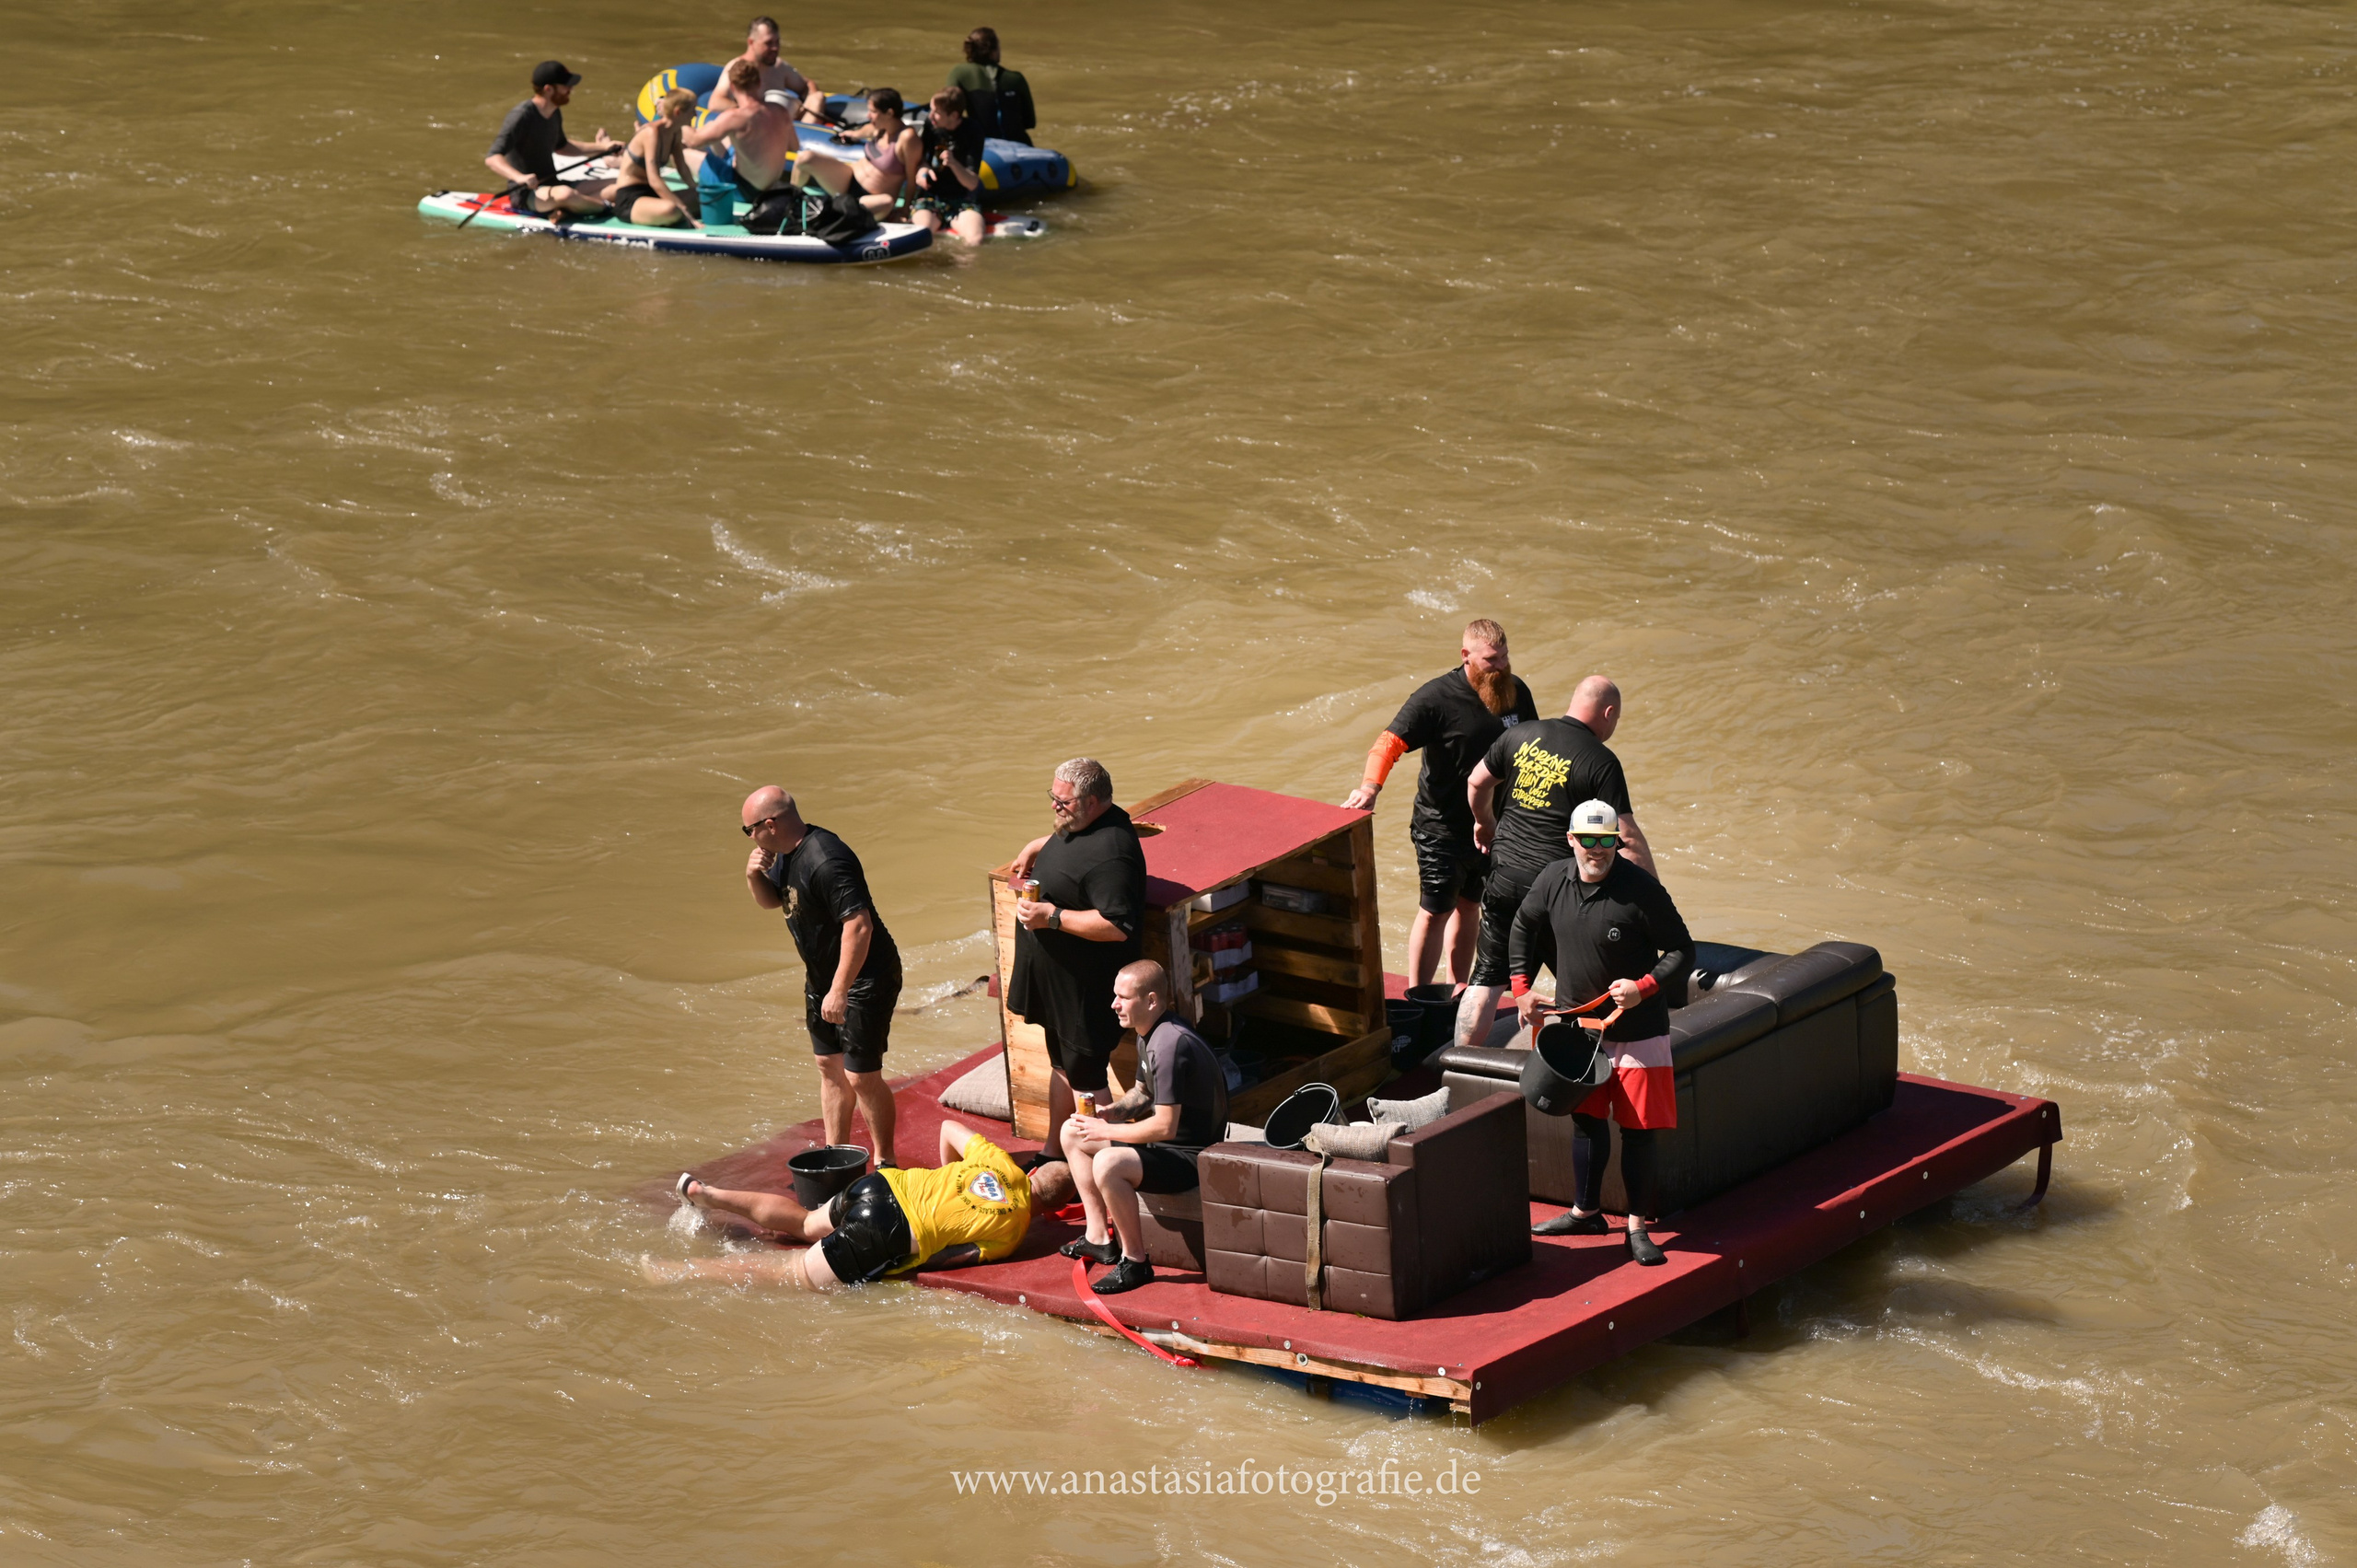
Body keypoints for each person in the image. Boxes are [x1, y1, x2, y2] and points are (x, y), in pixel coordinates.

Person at [1508, 800, 1692, 1265]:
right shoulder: (1552, 880)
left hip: (1640, 1031)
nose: (1598, 850)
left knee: (1638, 1131)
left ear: (1616, 842)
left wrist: (1643, 987)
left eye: (1607, 841)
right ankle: (1586, 1212)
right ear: (1571, 840)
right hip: (1578, 1029)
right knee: (1586, 1122)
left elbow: (1682, 951)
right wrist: (1522, 990)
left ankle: (1636, 1228)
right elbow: (1521, 925)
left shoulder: (1641, 890)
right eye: (1588, 840)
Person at [1453, 676, 1656, 1050]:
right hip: (1555, 892)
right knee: (1583, 980)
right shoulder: (1601, 761)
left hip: (1503, 878)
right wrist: (1651, 900)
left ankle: (1460, 1068)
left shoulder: (1521, 734)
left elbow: (1477, 782)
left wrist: (1485, 824)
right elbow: (1625, 838)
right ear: (1608, 714)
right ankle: (1576, 1071)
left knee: (1486, 979)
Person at [1341, 619, 1538, 987]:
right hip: (1441, 827)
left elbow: (1533, 749)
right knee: (1436, 911)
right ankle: (1420, 995)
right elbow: (1389, 742)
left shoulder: (1515, 692)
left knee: (1469, 907)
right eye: (1491, 659)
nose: (1501, 666)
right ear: (1466, 656)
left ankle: (1458, 989)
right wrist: (1371, 786)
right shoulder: (1436, 698)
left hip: (1495, 825)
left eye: (1505, 656)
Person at [652, 1120, 1047, 1290]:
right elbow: (953, 1258)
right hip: (892, 1230)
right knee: (793, 1275)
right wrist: (905, 1264)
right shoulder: (1014, 1232)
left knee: (807, 1224)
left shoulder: (1000, 1163)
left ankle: (706, 1195)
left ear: (1032, 1175)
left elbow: (947, 1129)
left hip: (882, 1185)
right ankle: (680, 1272)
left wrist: (948, 1180)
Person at [741, 787, 901, 1165]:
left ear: (769, 824)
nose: (748, 837)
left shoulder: (826, 859)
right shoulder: (784, 854)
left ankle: (886, 1163)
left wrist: (840, 990)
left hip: (864, 977)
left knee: (861, 1076)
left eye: (748, 829)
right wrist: (754, 876)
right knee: (829, 1067)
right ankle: (838, 1156)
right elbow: (774, 901)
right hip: (822, 979)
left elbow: (859, 926)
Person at [1005, 758, 1147, 1167]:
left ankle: (1107, 1167)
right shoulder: (1078, 825)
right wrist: (1041, 845)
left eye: (1063, 802)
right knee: (1061, 1068)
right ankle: (1054, 1152)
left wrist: (1051, 917)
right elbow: (1071, 847)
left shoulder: (1112, 854)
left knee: (1087, 1081)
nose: (1055, 807)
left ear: (1093, 801)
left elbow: (1117, 924)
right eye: (1053, 797)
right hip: (1057, 989)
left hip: (1083, 991)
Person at [1056, 960, 1229, 1295]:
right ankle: (1098, 1238)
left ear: (1151, 1000)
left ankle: (1135, 1262)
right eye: (1114, 995)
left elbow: (1165, 1126)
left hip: (1190, 1158)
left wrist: (1106, 1132)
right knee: (1072, 1131)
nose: (1113, 1004)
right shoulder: (1148, 1032)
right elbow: (1143, 1093)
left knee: (1108, 1162)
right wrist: (1110, 1113)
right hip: (1164, 1149)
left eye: (1124, 997)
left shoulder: (1169, 1043)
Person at [484, 61, 621, 219]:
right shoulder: (521, 116)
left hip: (553, 183)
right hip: (527, 194)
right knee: (565, 195)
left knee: (620, 184)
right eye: (566, 86)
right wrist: (519, 178)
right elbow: (492, 158)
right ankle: (606, 208)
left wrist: (604, 147)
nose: (570, 90)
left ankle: (569, 210)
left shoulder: (554, 112)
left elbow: (563, 147)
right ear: (548, 89)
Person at [684, 64, 802, 228]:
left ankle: (690, 191)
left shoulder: (734, 117)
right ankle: (723, 168)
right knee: (717, 133)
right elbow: (794, 147)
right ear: (759, 83)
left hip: (743, 191)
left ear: (732, 87)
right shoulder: (780, 111)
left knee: (687, 152)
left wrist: (679, 121)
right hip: (770, 186)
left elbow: (693, 141)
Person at [793, 88, 921, 216]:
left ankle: (832, 210)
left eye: (873, 111)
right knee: (805, 158)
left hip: (873, 198)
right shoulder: (880, 127)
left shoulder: (907, 137)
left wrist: (905, 210)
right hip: (848, 179)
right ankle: (789, 200)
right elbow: (866, 131)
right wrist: (853, 134)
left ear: (889, 113)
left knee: (887, 202)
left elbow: (911, 178)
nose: (868, 116)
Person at [606, 88, 702, 228]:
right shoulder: (652, 133)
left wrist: (699, 191)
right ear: (677, 112)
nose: (695, 115)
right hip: (631, 198)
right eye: (692, 110)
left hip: (653, 194)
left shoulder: (676, 131)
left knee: (704, 197)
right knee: (672, 210)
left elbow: (682, 168)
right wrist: (685, 210)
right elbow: (654, 179)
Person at [706, 15, 827, 123]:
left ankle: (807, 138)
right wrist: (755, 111)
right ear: (751, 42)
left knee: (817, 98)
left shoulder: (779, 66)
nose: (775, 48)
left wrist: (806, 102)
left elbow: (806, 84)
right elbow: (716, 103)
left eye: (777, 42)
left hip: (788, 126)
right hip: (759, 128)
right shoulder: (738, 68)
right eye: (769, 43)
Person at [911, 87, 987, 246]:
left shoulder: (973, 131)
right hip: (932, 196)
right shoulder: (931, 125)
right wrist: (923, 170)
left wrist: (953, 163)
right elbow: (922, 161)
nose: (931, 116)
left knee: (975, 240)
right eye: (931, 110)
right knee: (922, 235)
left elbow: (972, 183)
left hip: (962, 198)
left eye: (936, 112)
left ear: (953, 115)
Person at [946, 27, 1036, 145]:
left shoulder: (959, 73)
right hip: (1022, 146)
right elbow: (1030, 122)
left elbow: (950, 116)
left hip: (984, 147)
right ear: (993, 51)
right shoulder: (1016, 78)